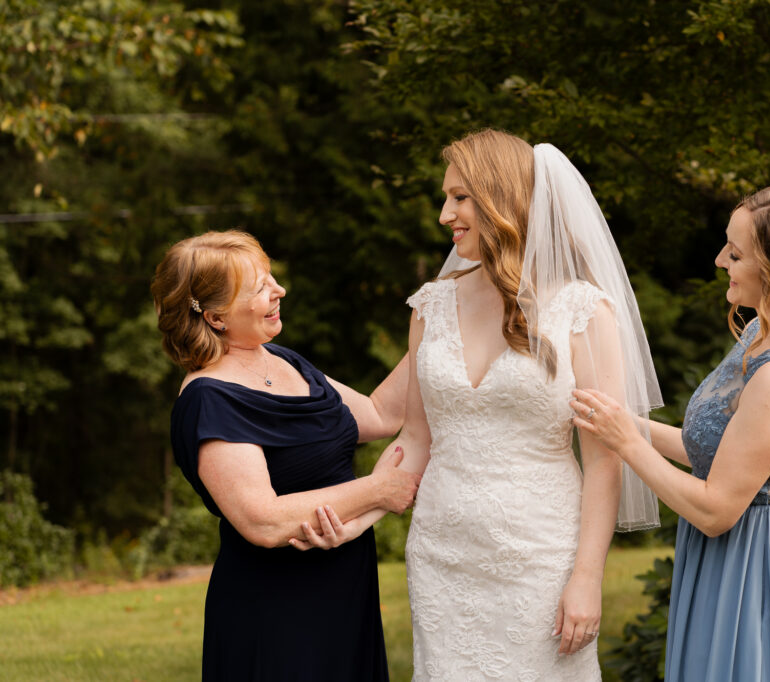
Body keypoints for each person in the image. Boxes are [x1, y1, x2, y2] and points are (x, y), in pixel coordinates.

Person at [305, 129, 663, 679]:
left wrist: (587, 577)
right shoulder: (431, 305)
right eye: (446, 198)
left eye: (460, 197)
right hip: (442, 553)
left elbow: (603, 459)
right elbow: (416, 441)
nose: (445, 214)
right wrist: (359, 519)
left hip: (541, 553)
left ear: (504, 198)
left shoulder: (581, 309)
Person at [570, 183, 770, 681]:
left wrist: (625, 443)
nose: (718, 260)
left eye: (734, 252)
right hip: (738, 556)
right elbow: (708, 448)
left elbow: (715, 510)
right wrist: (610, 417)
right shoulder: (763, 330)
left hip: (761, 570)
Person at [151, 230, 420, 681]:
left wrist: (443, 324)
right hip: (275, 611)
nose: (279, 290)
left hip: (344, 590)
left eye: (271, 277)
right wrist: (377, 490)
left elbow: (379, 414)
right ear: (216, 317)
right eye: (259, 287)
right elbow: (262, 520)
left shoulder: (283, 360)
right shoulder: (209, 400)